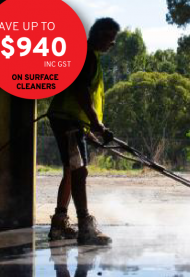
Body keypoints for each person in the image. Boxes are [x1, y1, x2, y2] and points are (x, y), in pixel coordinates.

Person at [47, 17, 120, 245]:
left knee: (71, 170)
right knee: (80, 172)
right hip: (68, 121)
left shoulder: (89, 56)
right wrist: (96, 124)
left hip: (70, 121)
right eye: (110, 38)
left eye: (113, 40)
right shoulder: (86, 56)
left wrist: (88, 129)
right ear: (98, 35)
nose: (112, 43)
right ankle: (85, 228)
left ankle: (59, 222)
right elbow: (80, 92)